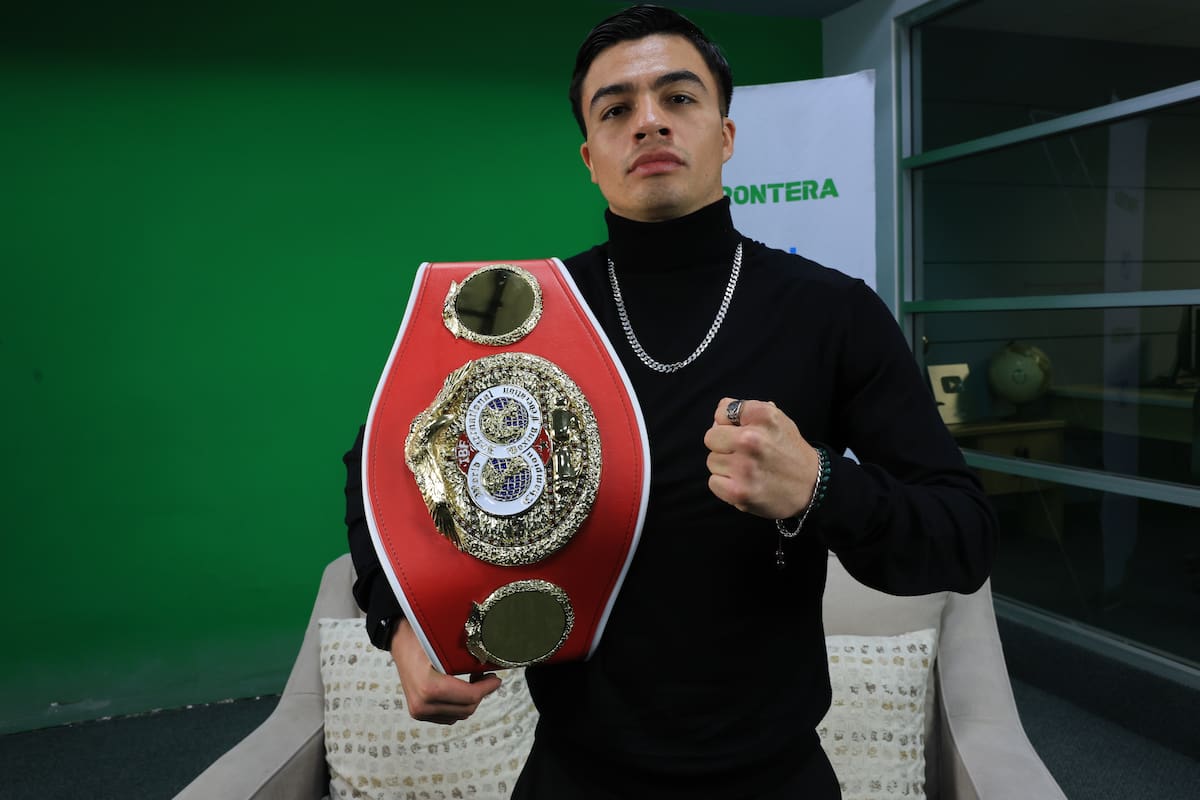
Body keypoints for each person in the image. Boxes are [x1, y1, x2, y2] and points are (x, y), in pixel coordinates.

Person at [343, 5, 997, 798]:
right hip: (575, 771)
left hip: (774, 774)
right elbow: (376, 467)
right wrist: (398, 623)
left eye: (678, 98)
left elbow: (962, 538)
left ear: (724, 134)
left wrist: (824, 487)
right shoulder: (532, 311)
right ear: (591, 156)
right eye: (616, 108)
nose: (648, 121)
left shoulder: (833, 313)